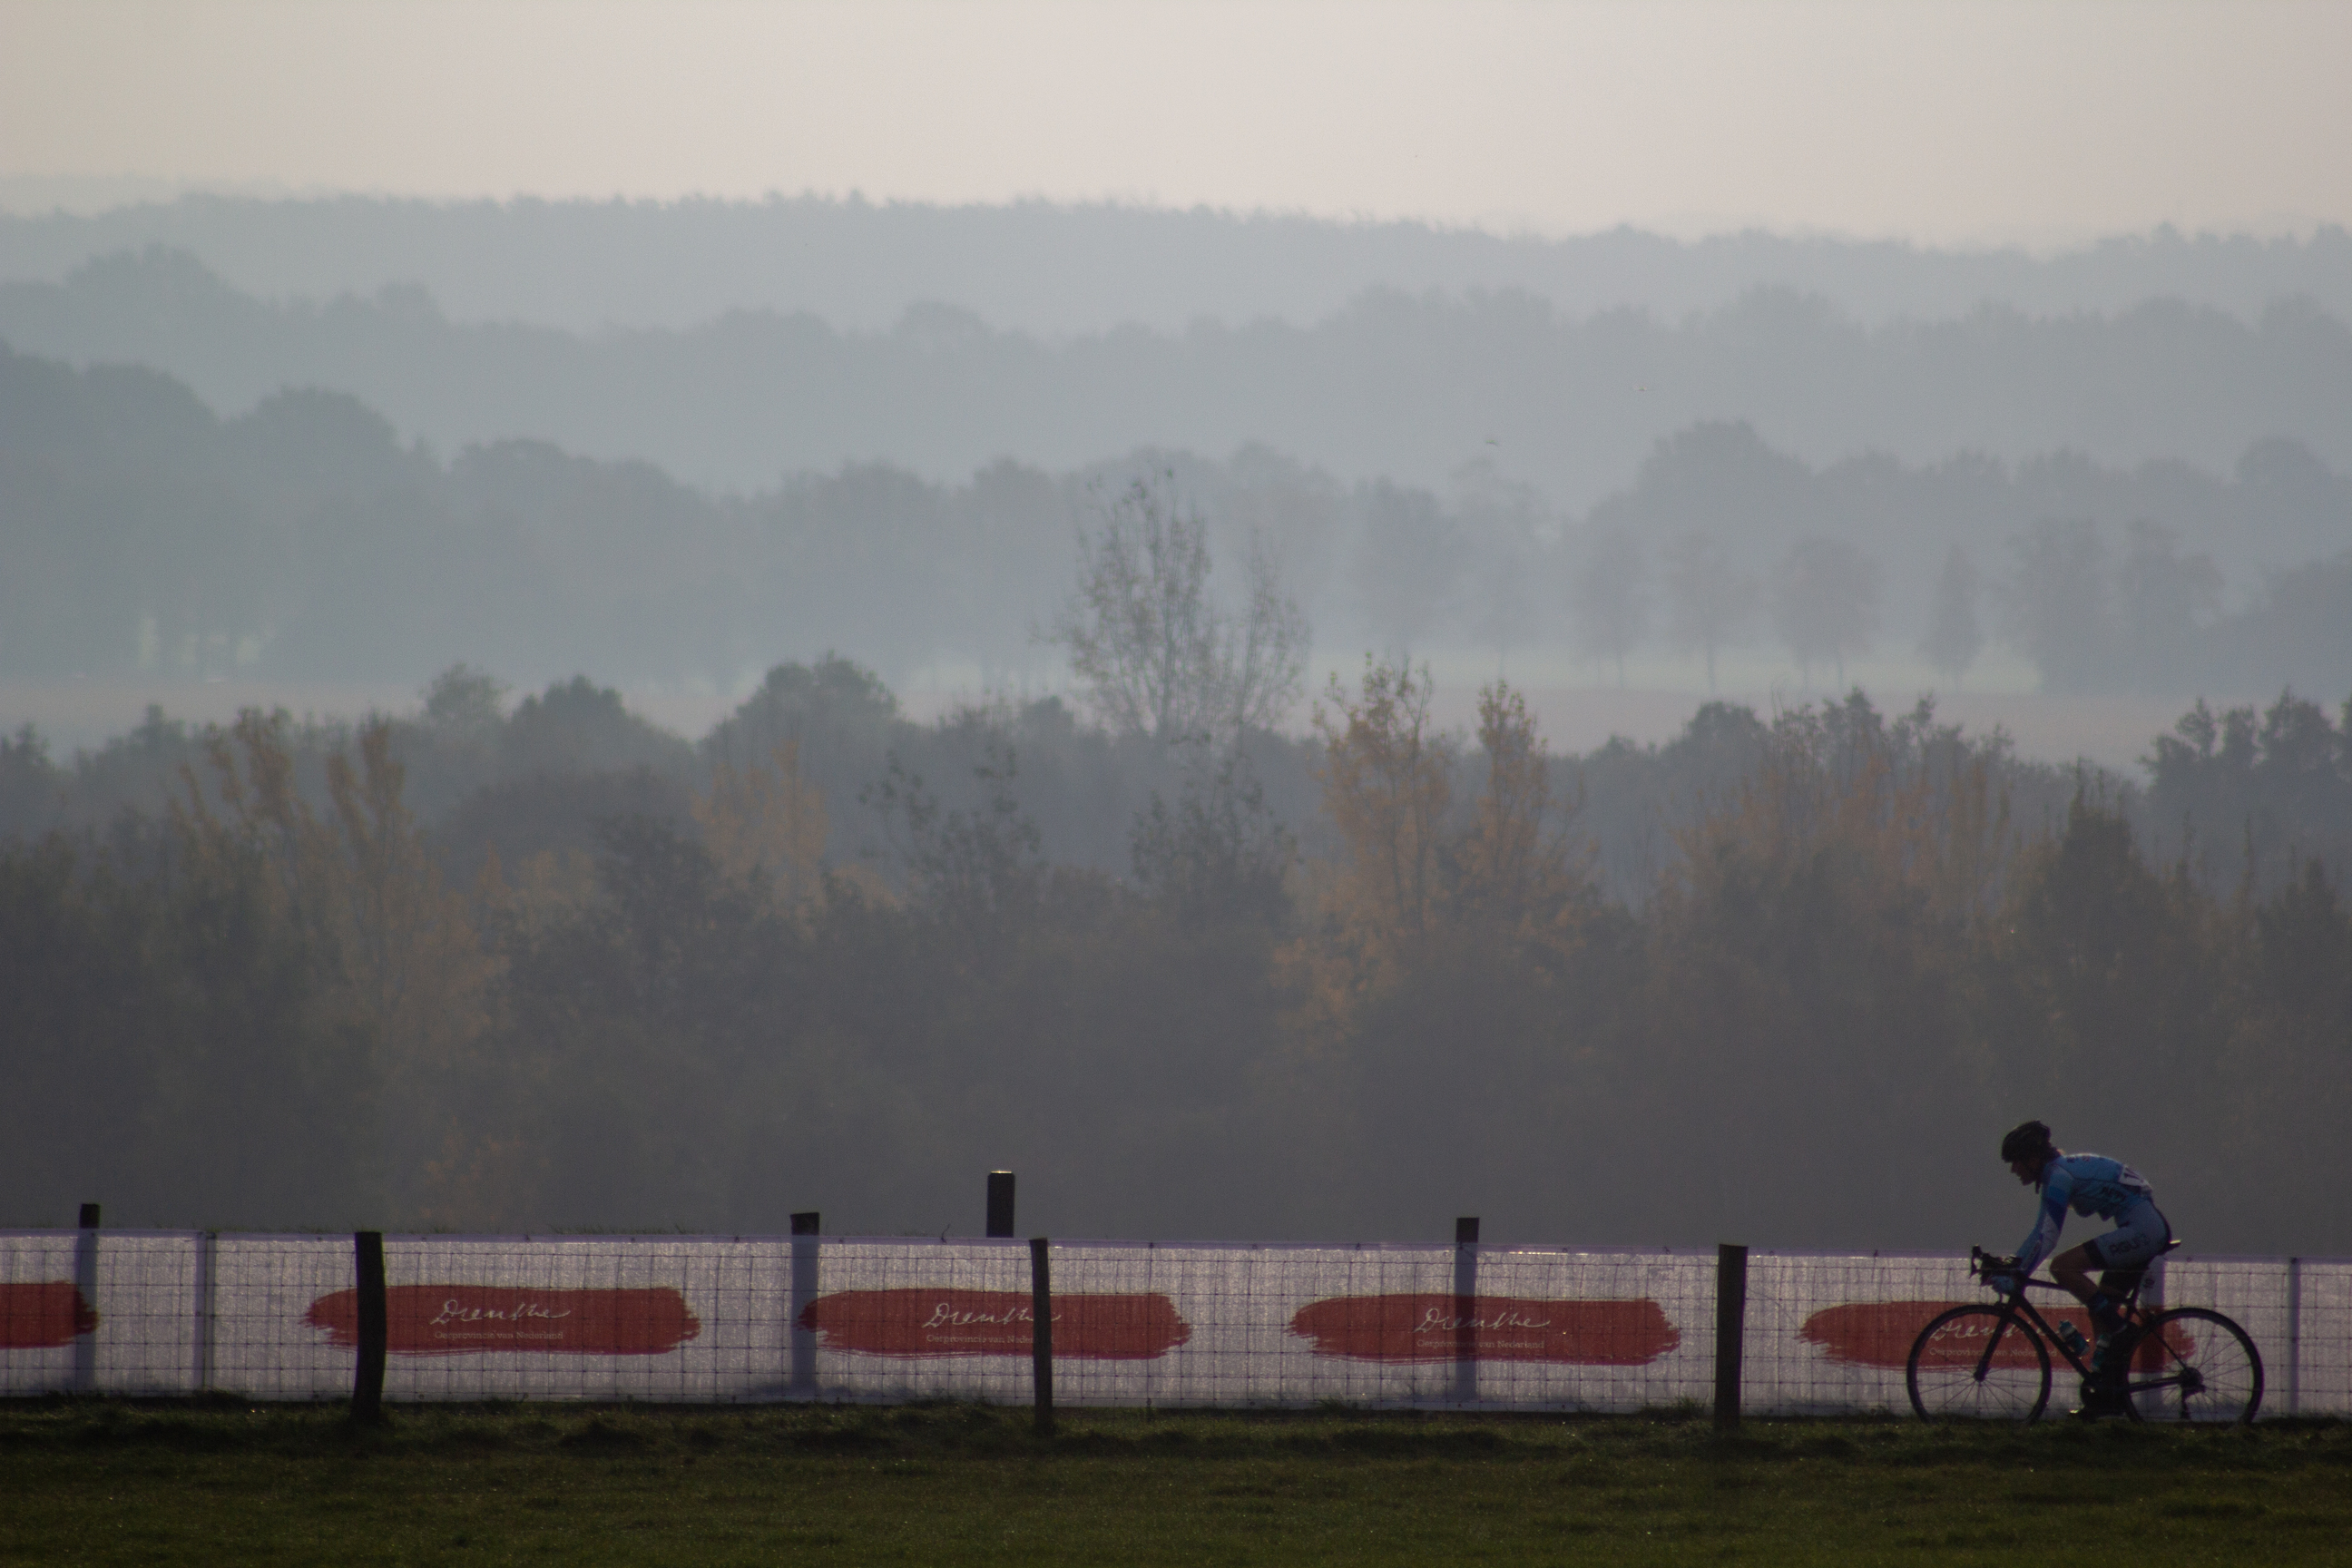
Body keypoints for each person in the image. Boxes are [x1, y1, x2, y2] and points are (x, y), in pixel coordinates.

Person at [1987, 1119, 2172, 1409]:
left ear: (2033, 1159)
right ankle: (2108, 1397)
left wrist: (2018, 1273)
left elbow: (2047, 1237)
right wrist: (2014, 1265)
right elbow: (2039, 1230)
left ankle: (2124, 1333)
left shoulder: (2059, 1177)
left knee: (2062, 1267)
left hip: (2143, 1231)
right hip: (2142, 1226)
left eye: (2016, 1162)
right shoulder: (2058, 1173)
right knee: (2101, 1313)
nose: (2013, 1170)